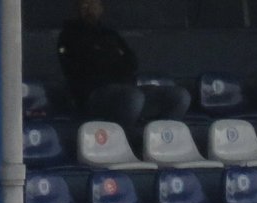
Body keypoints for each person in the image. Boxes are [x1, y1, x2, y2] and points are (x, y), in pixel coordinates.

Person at [57, 0, 191, 133]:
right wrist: (112, 58)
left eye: (94, 5)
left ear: (101, 8)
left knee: (179, 96)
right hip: (94, 95)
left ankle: (162, 140)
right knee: (133, 97)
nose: (89, 10)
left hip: (128, 88)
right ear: (77, 10)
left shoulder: (110, 34)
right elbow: (78, 70)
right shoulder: (69, 35)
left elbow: (132, 63)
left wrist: (103, 58)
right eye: (85, 6)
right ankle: (123, 142)